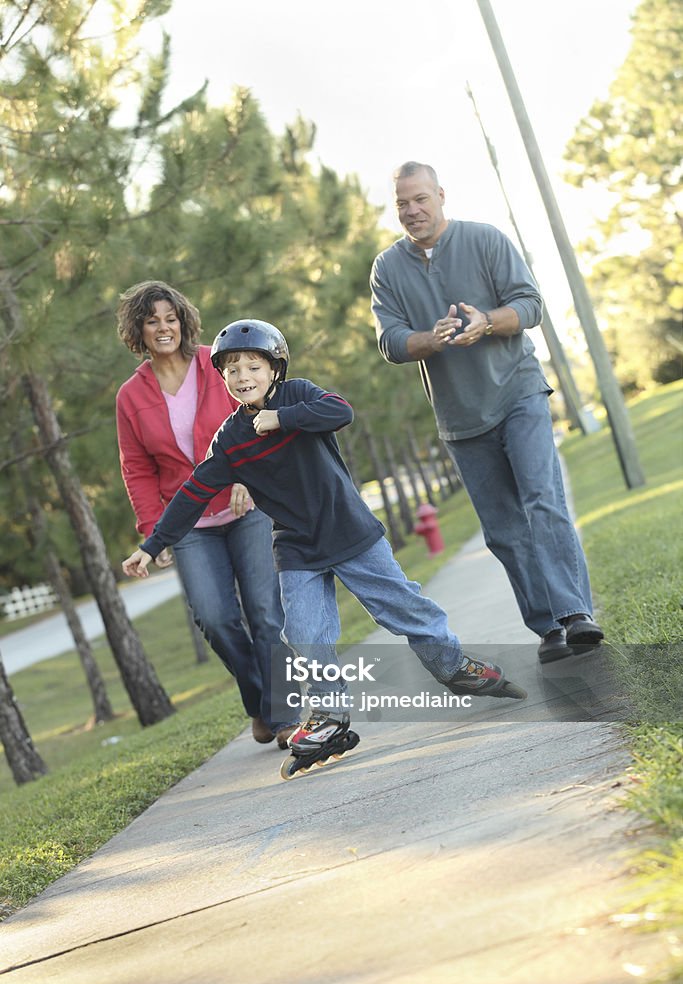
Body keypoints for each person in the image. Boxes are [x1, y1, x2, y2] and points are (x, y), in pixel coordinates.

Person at [121, 318, 527, 781]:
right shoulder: (230, 439)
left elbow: (341, 411)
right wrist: (152, 546)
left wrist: (283, 418)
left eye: (253, 366)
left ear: (276, 369)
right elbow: (193, 493)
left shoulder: (298, 397)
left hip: (349, 532)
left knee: (405, 610)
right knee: (304, 632)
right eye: (232, 369)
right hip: (296, 549)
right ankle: (330, 717)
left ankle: (455, 667)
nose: (243, 377)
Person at [370, 161, 604, 665]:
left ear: (441, 195)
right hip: (460, 418)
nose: (412, 211)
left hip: (518, 393)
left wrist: (488, 322)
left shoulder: (486, 239)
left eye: (421, 199)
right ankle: (548, 628)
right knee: (503, 528)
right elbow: (389, 341)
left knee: (542, 499)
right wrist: (428, 340)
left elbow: (530, 305)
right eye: (402, 203)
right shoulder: (387, 269)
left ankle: (575, 613)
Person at [115, 282, 296, 748]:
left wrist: (245, 475)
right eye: (151, 320)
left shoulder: (217, 363)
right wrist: (154, 531)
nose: (163, 327)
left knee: (264, 610)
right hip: (190, 521)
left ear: (183, 320)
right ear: (138, 329)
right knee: (215, 618)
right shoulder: (131, 397)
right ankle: (259, 702)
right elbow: (136, 469)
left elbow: (254, 410)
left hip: (247, 504)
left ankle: (284, 716)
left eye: (170, 317)